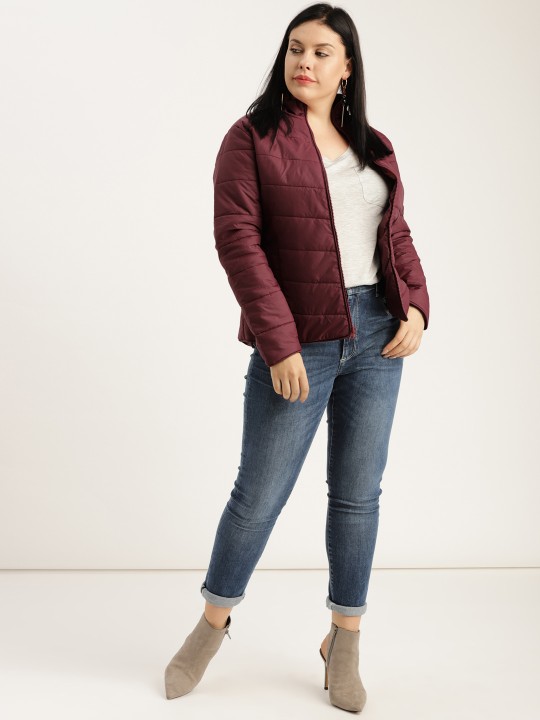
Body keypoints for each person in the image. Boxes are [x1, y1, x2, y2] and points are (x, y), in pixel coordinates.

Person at [164, 3, 429, 712]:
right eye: (295, 49)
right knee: (259, 495)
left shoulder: (372, 142)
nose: (304, 62)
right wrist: (278, 341)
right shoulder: (250, 138)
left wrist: (416, 306)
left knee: (358, 495)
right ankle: (212, 624)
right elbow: (238, 242)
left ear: (347, 68)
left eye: (320, 52)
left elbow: (396, 234)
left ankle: (344, 638)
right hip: (300, 337)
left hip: (379, 335)